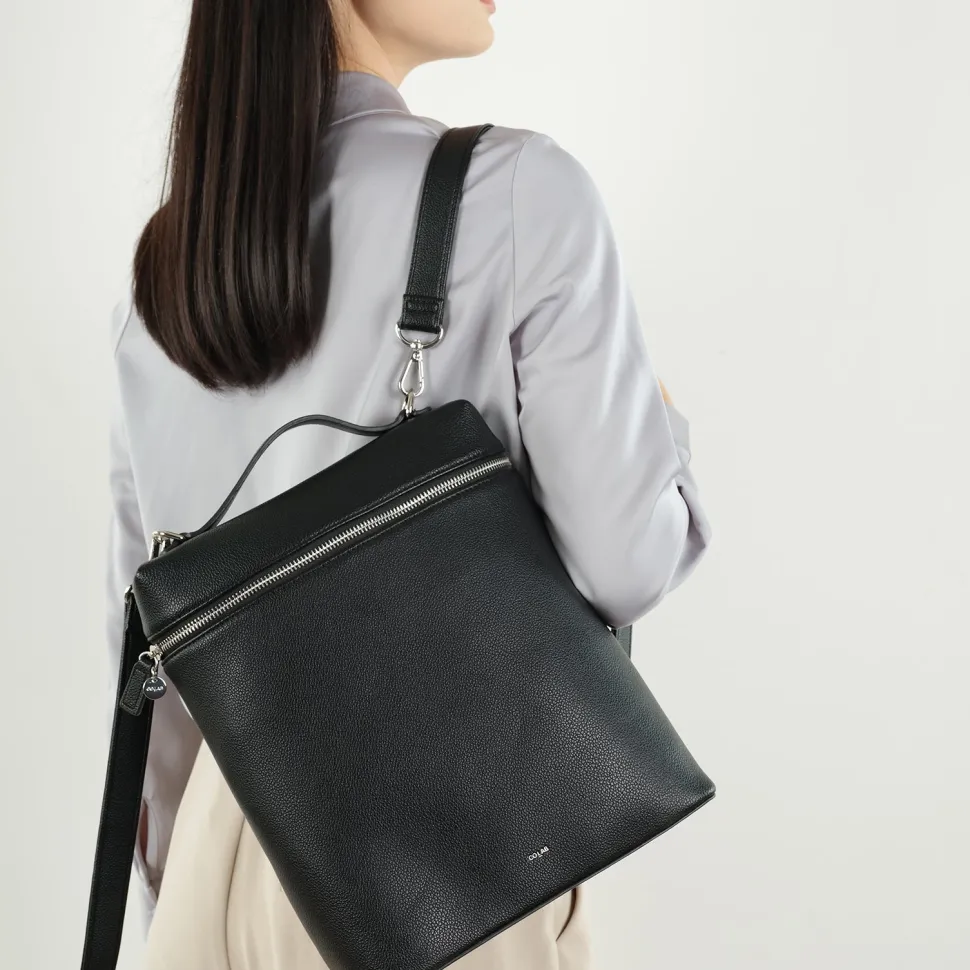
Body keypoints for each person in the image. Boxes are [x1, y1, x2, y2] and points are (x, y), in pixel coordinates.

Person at [104, 0, 712, 966]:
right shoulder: (519, 193)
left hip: (226, 852)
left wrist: (184, 898)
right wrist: (660, 417)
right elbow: (624, 565)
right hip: (450, 848)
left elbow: (148, 650)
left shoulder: (164, 278)